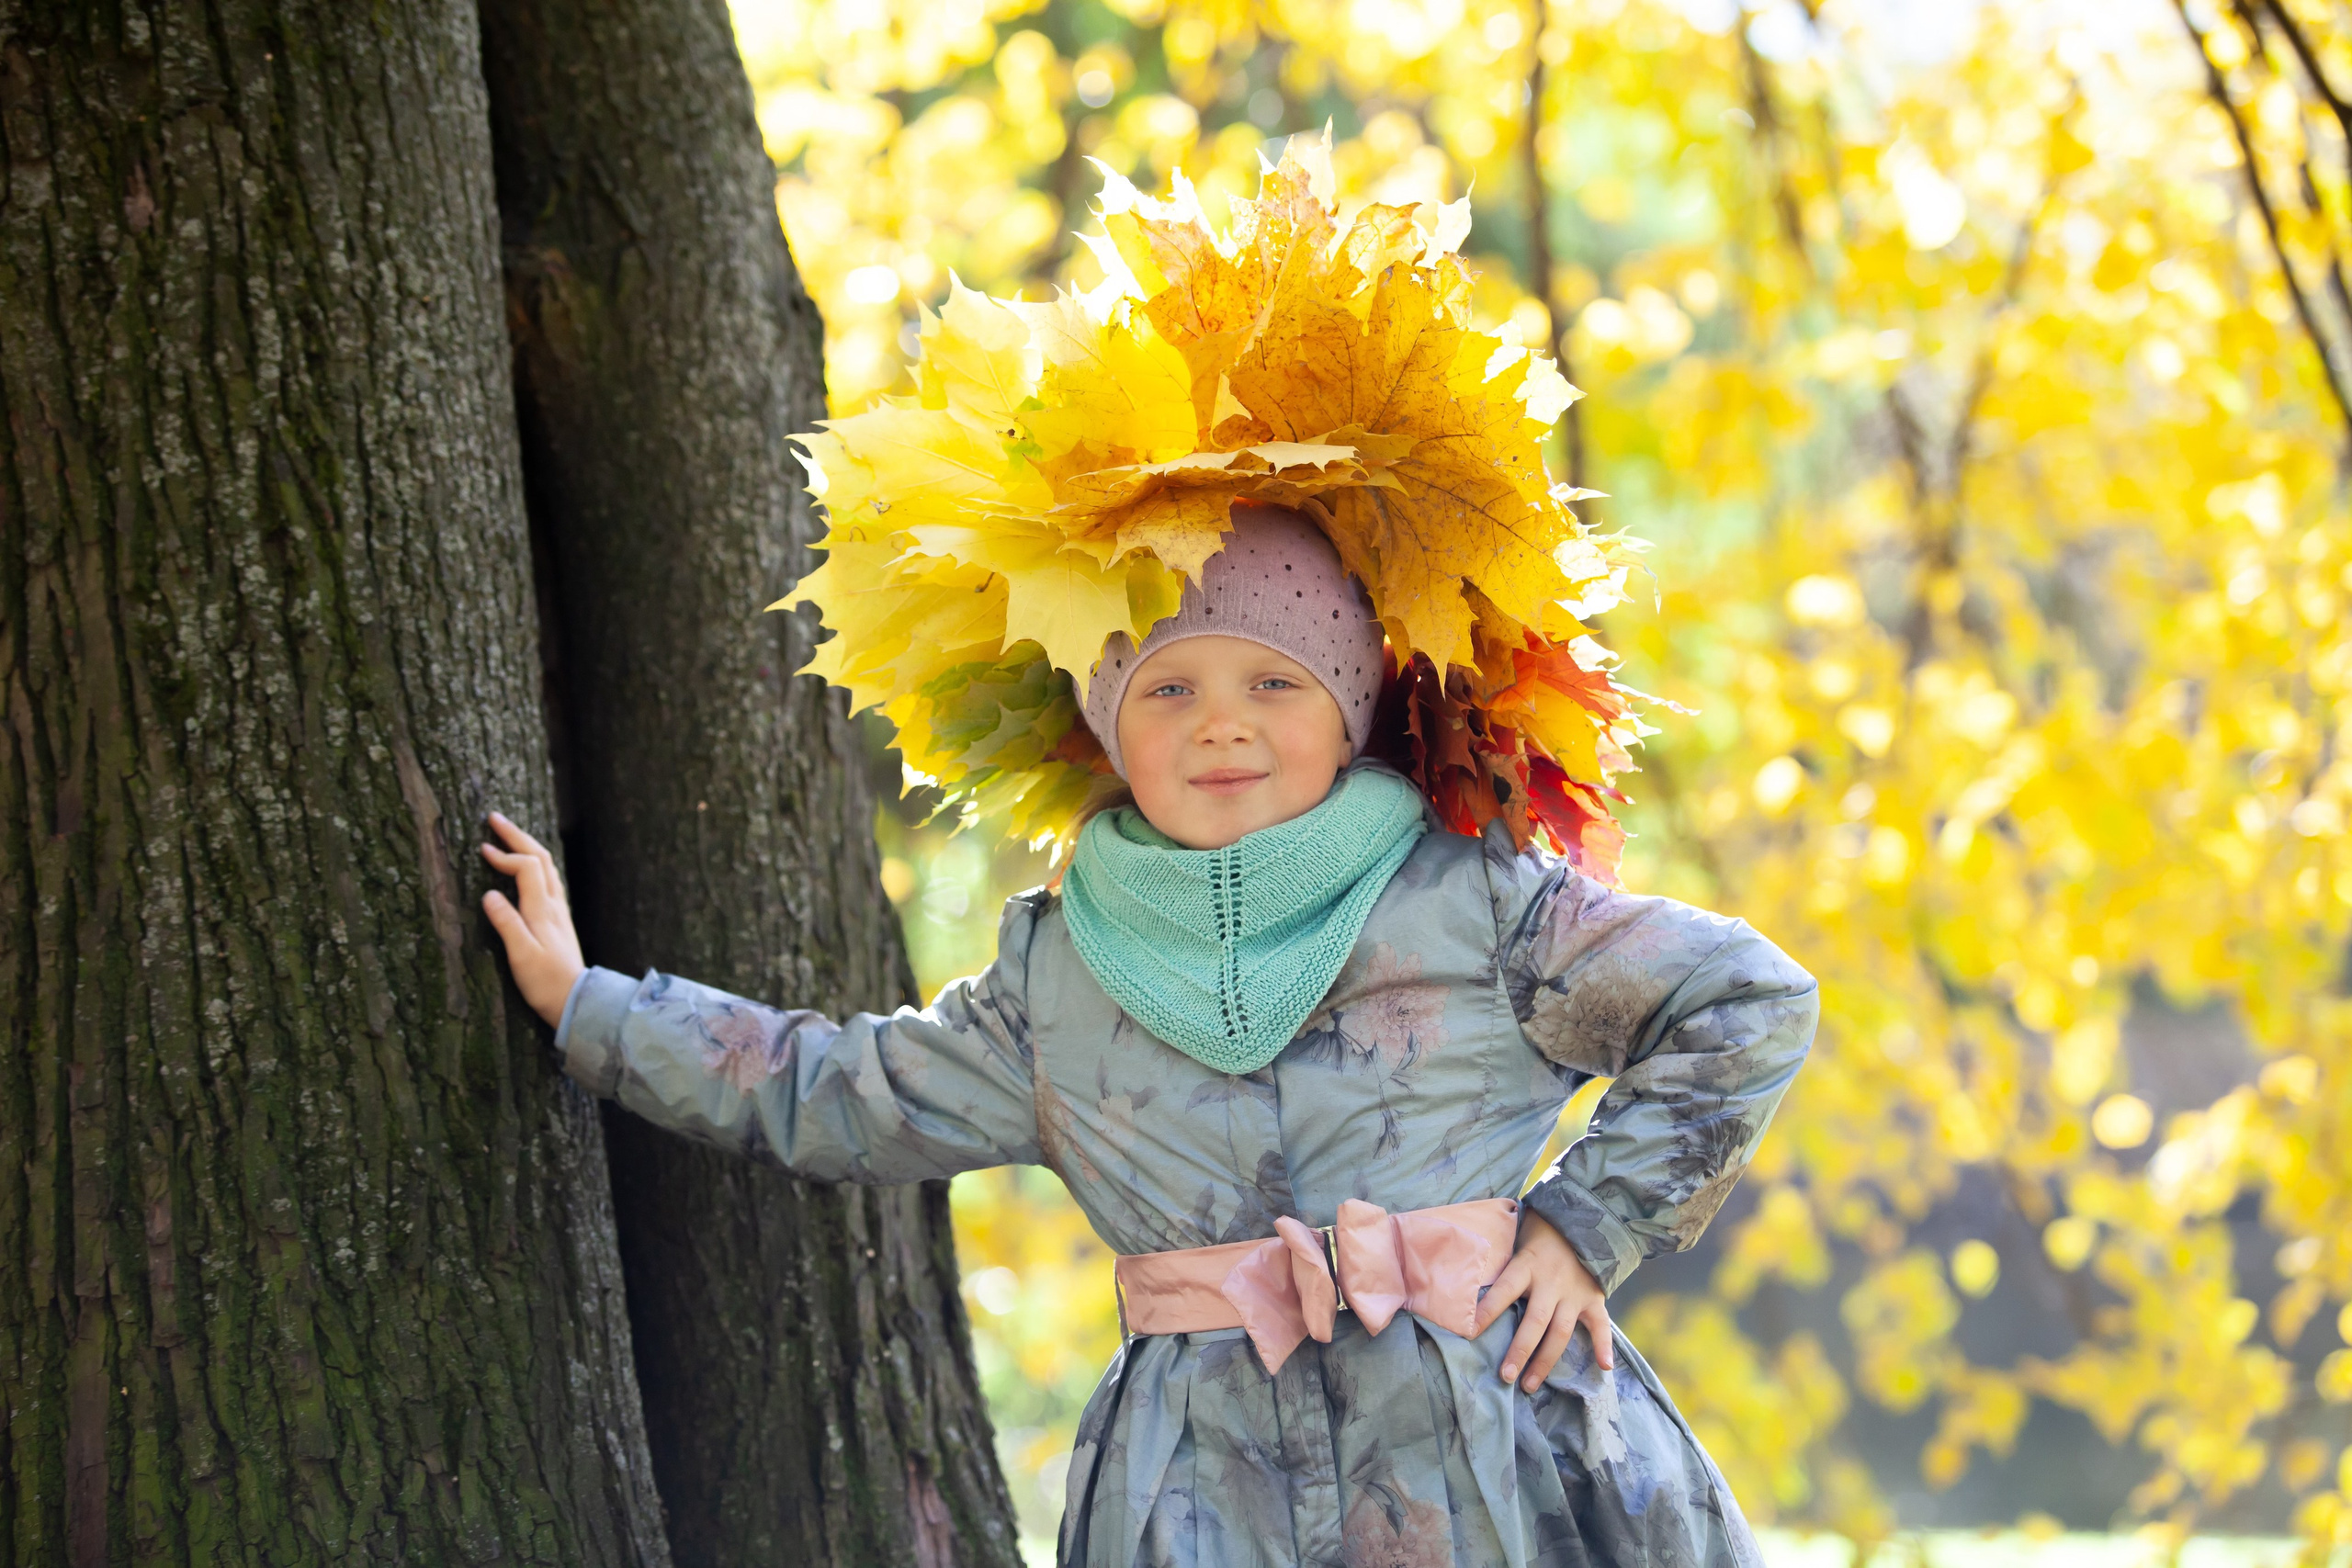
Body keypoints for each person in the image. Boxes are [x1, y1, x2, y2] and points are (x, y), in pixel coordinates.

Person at [481, 499, 1817, 1568]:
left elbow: (1745, 1002)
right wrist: (594, 1010)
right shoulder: (1057, 977)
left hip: (1495, 1454)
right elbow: (841, 1088)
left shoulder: (1475, 899)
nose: (1223, 721)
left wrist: (1586, 1227)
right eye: (1168, 689)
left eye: (1274, 685)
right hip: (1202, 1488)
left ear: (1347, 708)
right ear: (1113, 723)